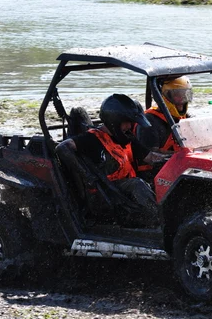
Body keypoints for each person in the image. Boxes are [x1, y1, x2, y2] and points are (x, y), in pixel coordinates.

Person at [55, 93, 165, 226]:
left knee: (157, 180)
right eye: (127, 123)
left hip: (124, 195)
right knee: (137, 184)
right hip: (106, 198)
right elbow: (62, 147)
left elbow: (150, 157)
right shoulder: (91, 139)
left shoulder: (126, 137)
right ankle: (160, 222)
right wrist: (86, 175)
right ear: (115, 121)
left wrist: (176, 159)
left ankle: (162, 215)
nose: (130, 127)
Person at [136, 75, 192, 153]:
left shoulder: (186, 118)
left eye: (184, 94)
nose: (182, 99)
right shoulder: (149, 123)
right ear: (164, 96)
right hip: (162, 164)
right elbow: (152, 158)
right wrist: (181, 155)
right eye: (177, 95)